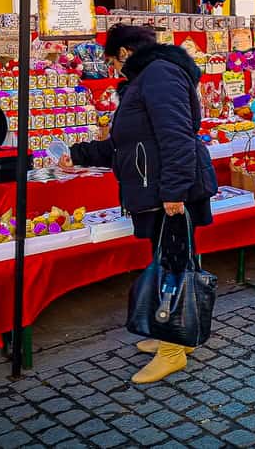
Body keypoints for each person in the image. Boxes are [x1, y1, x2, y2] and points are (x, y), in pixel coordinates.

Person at [61, 24, 218, 384]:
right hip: (159, 188)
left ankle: (173, 349)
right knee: (173, 261)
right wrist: (77, 153)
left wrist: (174, 193)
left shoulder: (159, 75)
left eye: (113, 61)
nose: (113, 69)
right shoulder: (147, 78)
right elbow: (126, 144)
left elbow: (176, 136)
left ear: (126, 53)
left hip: (169, 191)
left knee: (174, 265)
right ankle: (175, 332)